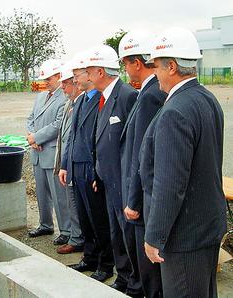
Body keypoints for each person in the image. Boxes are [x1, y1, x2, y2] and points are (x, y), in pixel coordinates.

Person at [139, 27, 227, 298]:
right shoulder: (206, 99)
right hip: (206, 226)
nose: (154, 73)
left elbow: (170, 183)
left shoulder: (175, 111)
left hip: (184, 235)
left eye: (156, 67)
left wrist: (155, 236)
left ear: (173, 66)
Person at [85, 45, 141, 296]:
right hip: (108, 179)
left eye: (89, 71)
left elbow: (134, 142)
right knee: (116, 231)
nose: (86, 76)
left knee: (128, 232)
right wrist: (98, 173)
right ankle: (123, 275)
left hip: (124, 179)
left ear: (100, 71)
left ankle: (136, 282)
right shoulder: (104, 97)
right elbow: (102, 139)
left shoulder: (127, 95)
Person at [118, 29, 167, 298]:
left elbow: (143, 154)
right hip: (141, 193)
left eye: (125, 63)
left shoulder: (149, 96)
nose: (125, 70)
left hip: (143, 198)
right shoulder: (146, 93)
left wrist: (133, 201)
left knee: (150, 273)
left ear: (137, 63)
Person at [59, 52, 114, 281]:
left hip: (92, 168)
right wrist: (65, 164)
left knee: (98, 218)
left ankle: (105, 264)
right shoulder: (79, 100)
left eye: (76, 75)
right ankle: (89, 257)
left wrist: (96, 171)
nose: (74, 81)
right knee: (84, 216)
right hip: (76, 166)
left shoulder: (101, 100)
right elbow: (72, 137)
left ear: (88, 76)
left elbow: (98, 139)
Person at [26, 59, 71, 245]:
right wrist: (31, 135)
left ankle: (66, 230)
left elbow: (58, 125)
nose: (45, 82)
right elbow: (30, 118)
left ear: (59, 77)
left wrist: (36, 137)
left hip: (51, 152)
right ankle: (45, 224)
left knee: (59, 195)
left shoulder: (65, 97)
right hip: (37, 152)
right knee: (41, 192)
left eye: (49, 78)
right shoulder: (41, 96)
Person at [54, 62, 85, 254]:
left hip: (77, 164)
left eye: (65, 84)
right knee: (71, 204)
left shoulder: (82, 104)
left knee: (76, 205)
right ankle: (76, 236)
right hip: (68, 163)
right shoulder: (69, 104)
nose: (63, 88)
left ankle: (78, 239)